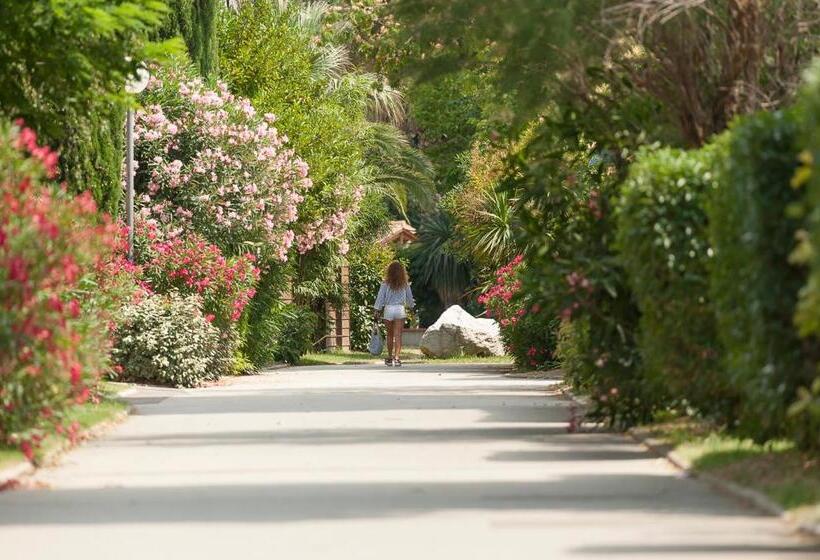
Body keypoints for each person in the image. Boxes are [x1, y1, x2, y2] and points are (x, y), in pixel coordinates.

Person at [373, 261, 415, 367]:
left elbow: (380, 298)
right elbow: (410, 298)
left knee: (389, 335)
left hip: (388, 309)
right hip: (400, 309)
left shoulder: (385, 284)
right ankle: (397, 358)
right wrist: (411, 307)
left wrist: (377, 310)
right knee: (398, 335)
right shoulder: (404, 284)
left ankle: (389, 357)